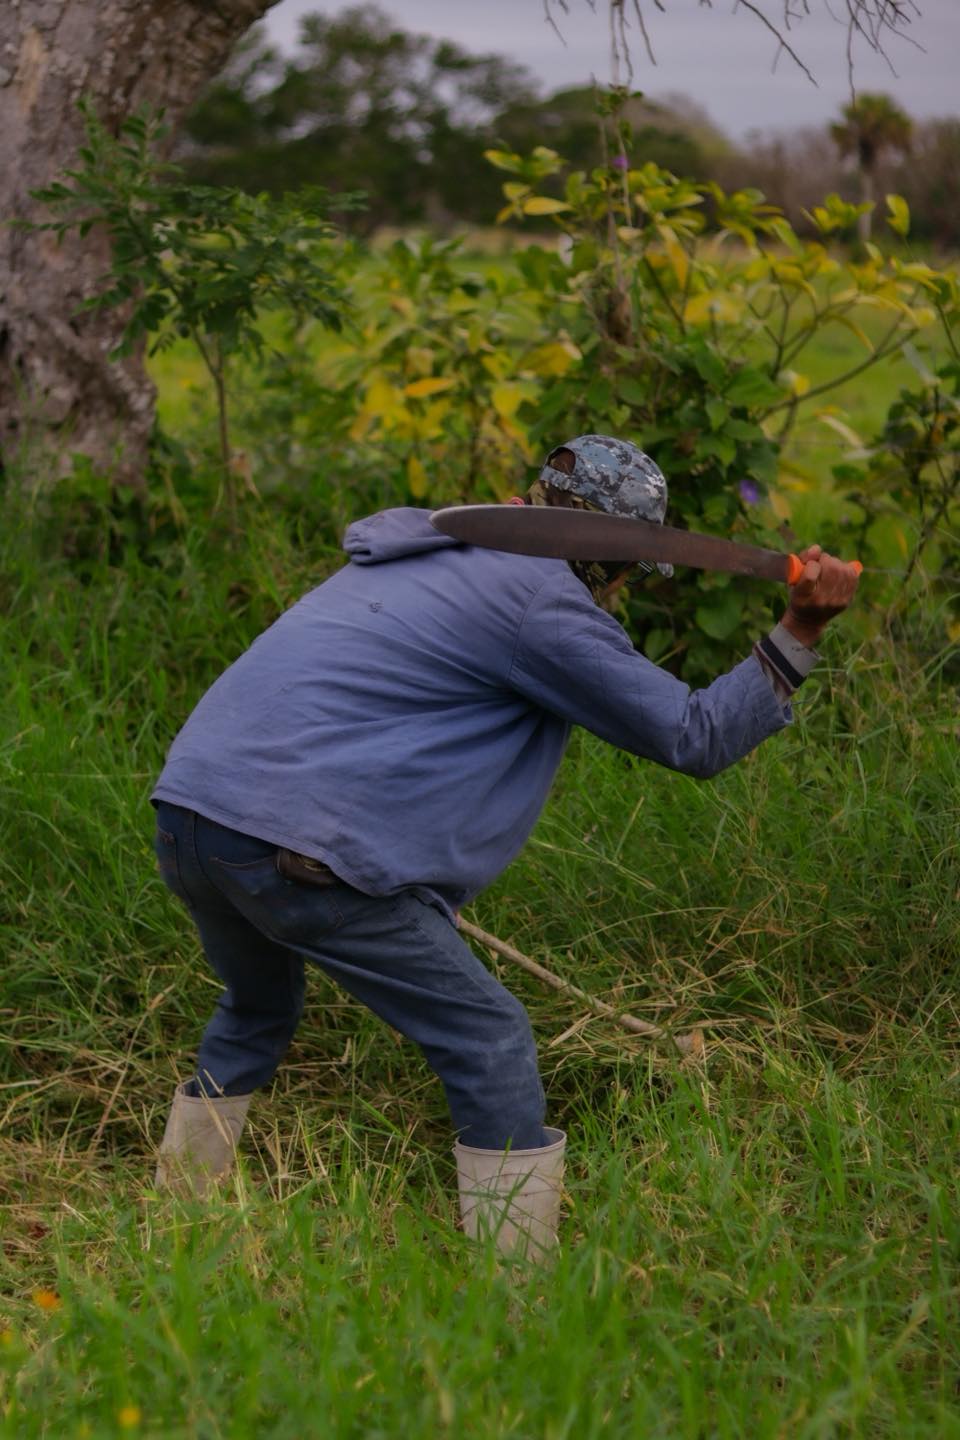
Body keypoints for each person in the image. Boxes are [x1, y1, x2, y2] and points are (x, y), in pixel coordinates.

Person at [151, 434, 859, 1252]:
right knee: (489, 1037)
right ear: (607, 558)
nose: (619, 592)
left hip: (191, 815)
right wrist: (801, 628)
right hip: (289, 851)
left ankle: (178, 1222)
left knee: (258, 1006)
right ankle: (517, 1284)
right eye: (626, 574)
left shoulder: (427, 551)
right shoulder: (539, 600)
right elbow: (695, 736)